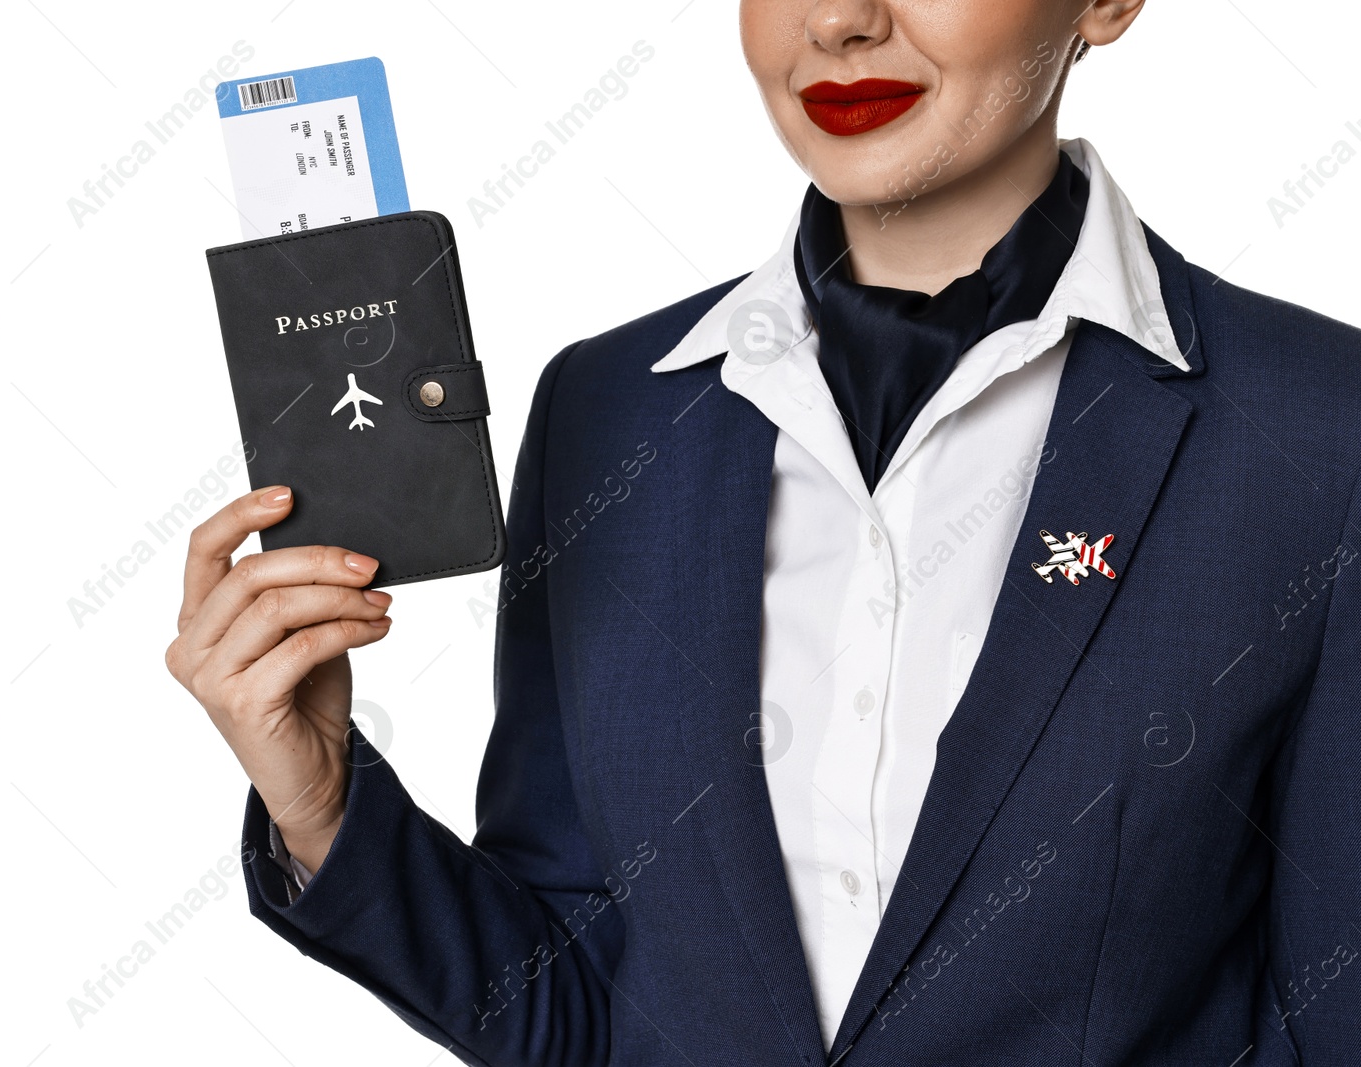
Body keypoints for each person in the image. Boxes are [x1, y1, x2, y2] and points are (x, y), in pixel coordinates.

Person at [166, 0, 1361, 1062]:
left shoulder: (1316, 433)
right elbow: (574, 1003)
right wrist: (320, 802)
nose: (837, 21)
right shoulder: (607, 409)